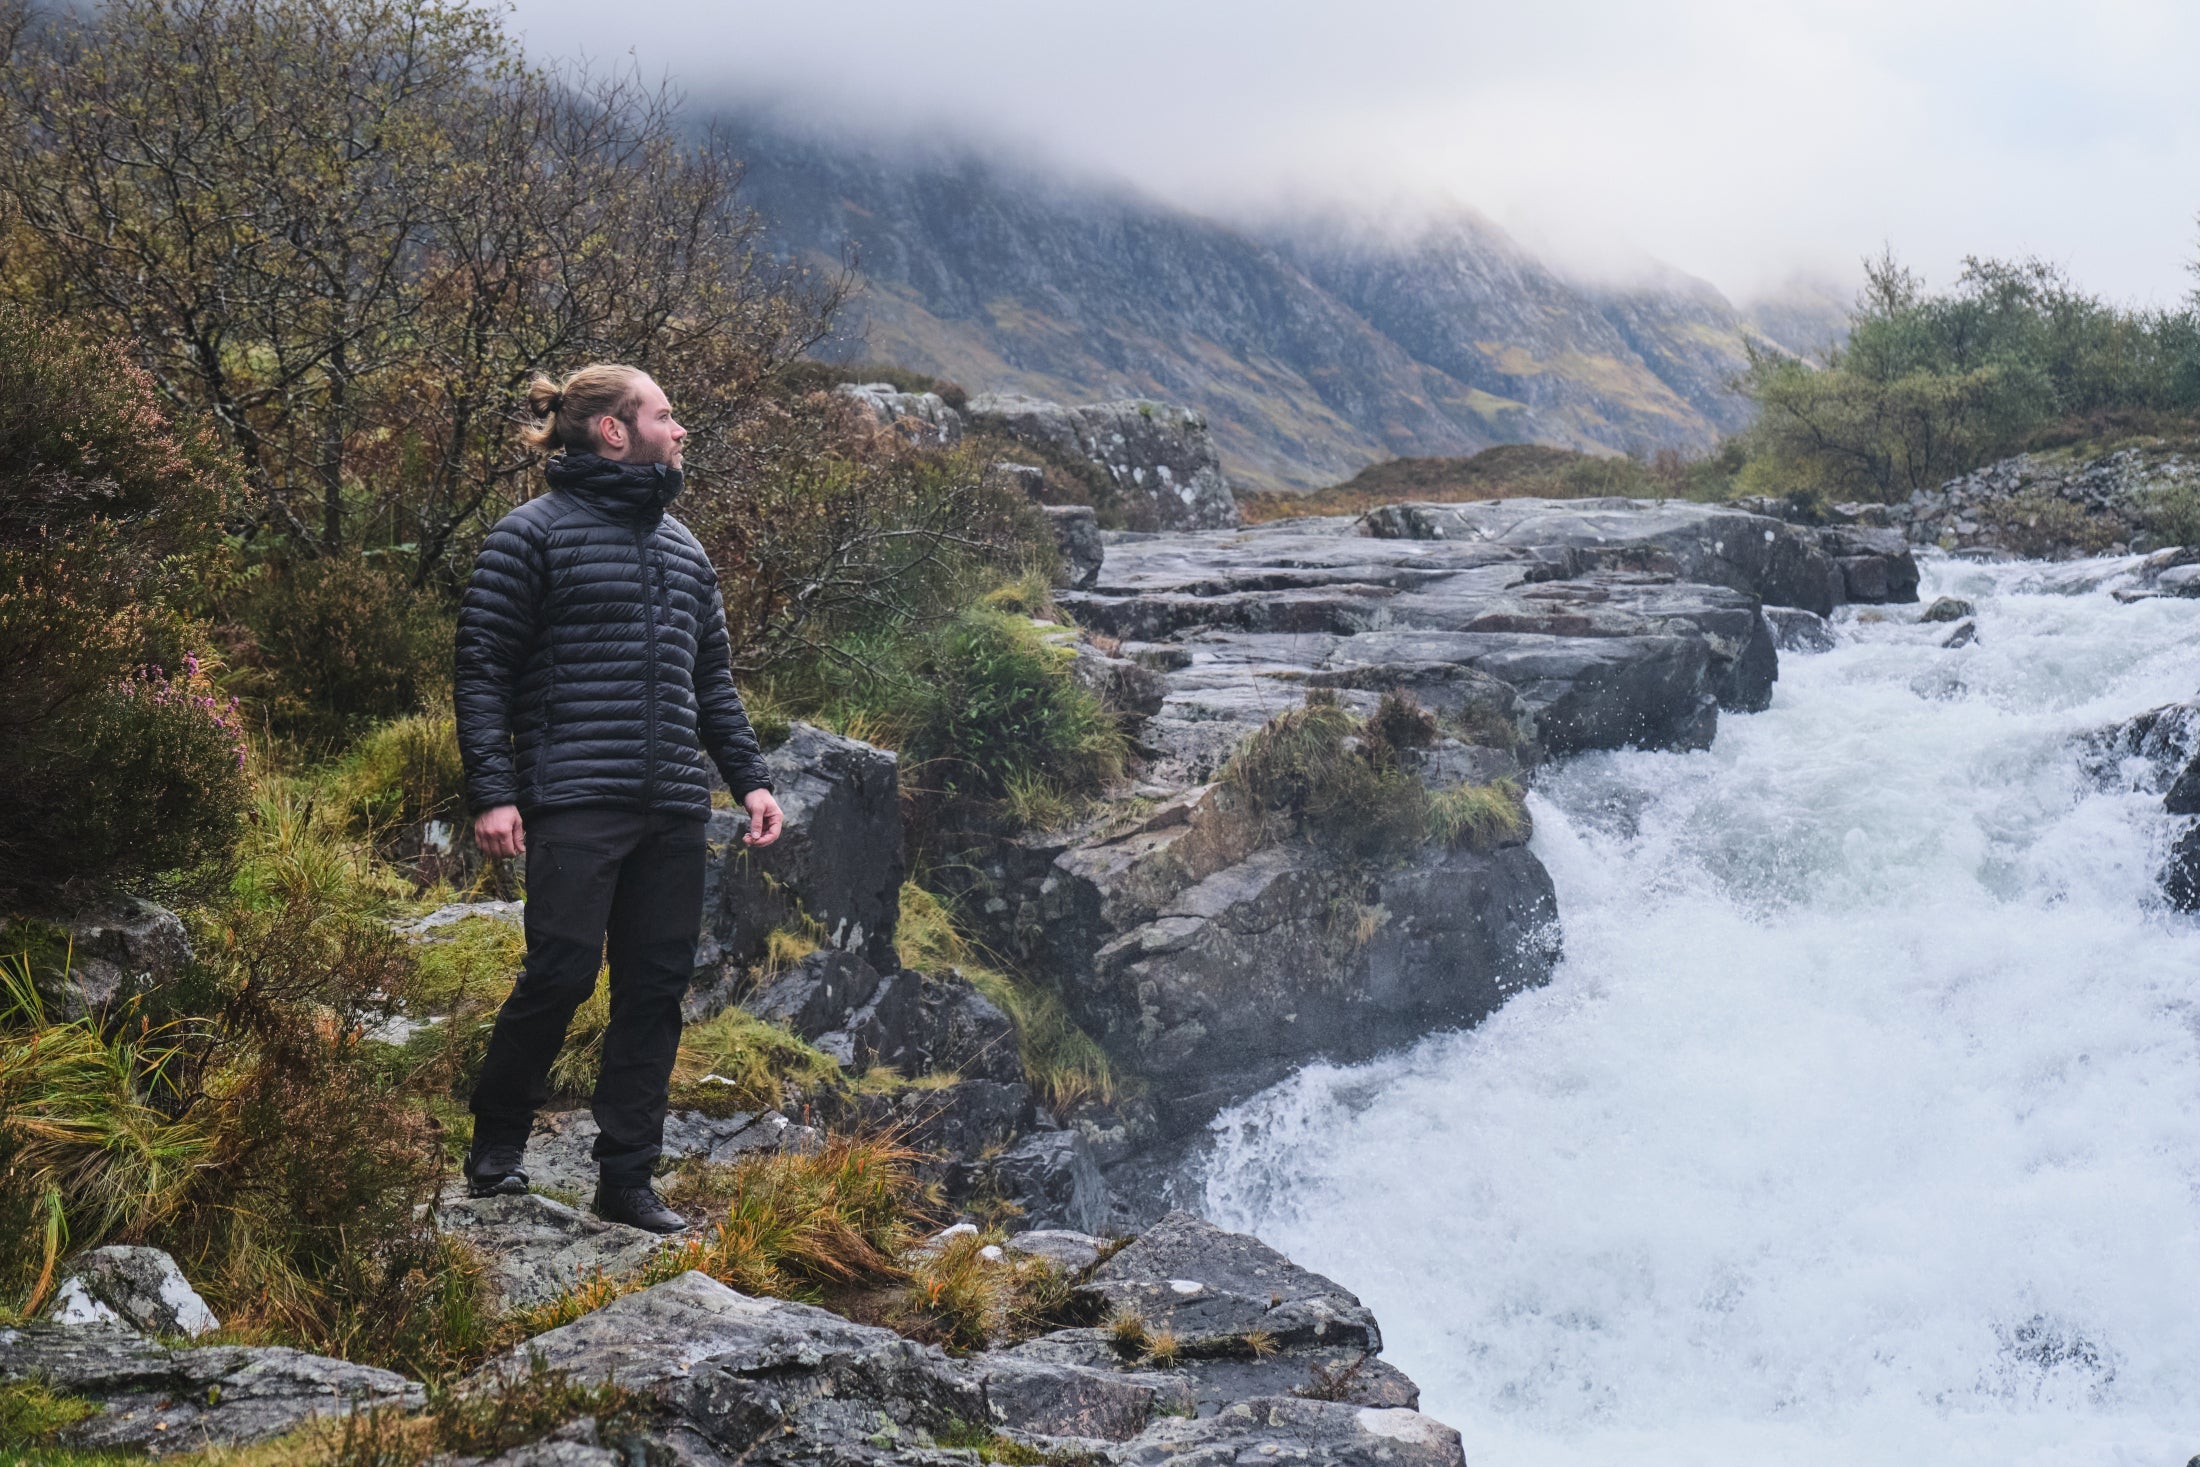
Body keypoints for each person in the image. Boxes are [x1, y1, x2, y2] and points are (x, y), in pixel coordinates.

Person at [453, 364, 784, 1234]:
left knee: (654, 990)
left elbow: (711, 679)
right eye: (665, 415)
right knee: (558, 974)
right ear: (613, 430)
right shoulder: (529, 536)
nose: (680, 431)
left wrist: (749, 778)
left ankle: (627, 1180)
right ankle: (496, 1151)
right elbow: (482, 669)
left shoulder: (685, 548)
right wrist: (494, 792)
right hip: (573, 798)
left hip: (673, 805)